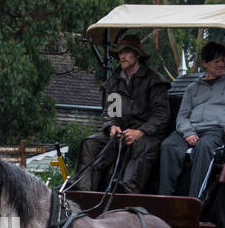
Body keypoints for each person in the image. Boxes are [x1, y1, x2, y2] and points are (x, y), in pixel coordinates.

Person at [72, 36, 171, 194]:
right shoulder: (115, 80)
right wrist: (112, 126)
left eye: (127, 52)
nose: (122, 56)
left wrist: (139, 132)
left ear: (137, 55)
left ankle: (127, 192)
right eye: (120, 53)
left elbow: (161, 115)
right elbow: (111, 111)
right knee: (90, 143)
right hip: (120, 133)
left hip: (147, 134)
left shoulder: (154, 80)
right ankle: (84, 194)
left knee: (141, 146)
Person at [157, 41, 225, 197]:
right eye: (217, 61)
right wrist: (188, 132)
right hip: (192, 129)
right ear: (205, 63)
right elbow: (182, 116)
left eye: (224, 60)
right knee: (168, 145)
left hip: (219, 131)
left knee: (204, 147)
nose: (222, 64)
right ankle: (165, 198)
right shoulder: (192, 88)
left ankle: (195, 200)